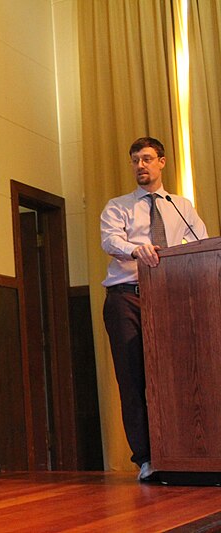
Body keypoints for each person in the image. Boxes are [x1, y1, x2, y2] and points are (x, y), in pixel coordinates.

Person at [100, 136, 208, 482]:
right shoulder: (118, 206)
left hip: (171, 299)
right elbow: (110, 241)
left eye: (147, 159)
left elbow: (200, 243)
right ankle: (146, 459)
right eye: (135, 161)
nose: (141, 166)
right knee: (133, 379)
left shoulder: (181, 206)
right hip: (126, 297)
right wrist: (139, 249)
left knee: (178, 378)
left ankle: (186, 453)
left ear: (162, 162)